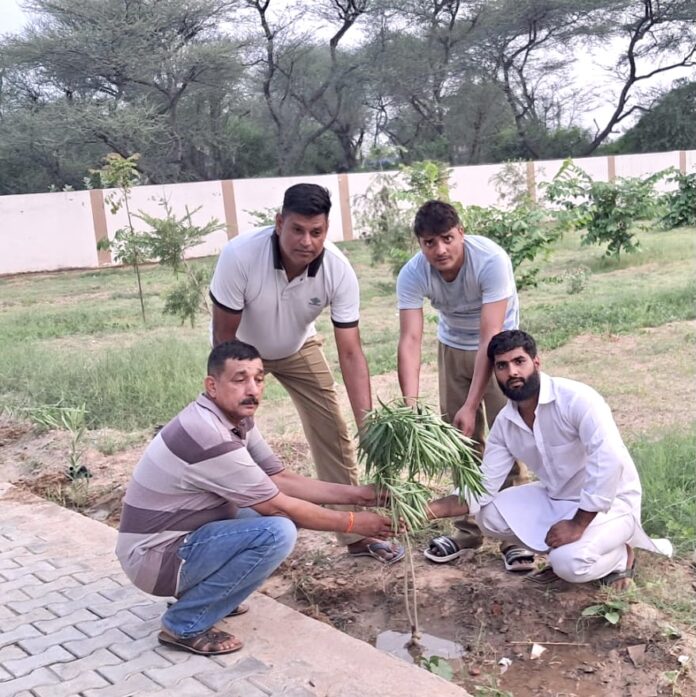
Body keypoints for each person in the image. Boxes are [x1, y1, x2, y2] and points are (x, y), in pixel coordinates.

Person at [116, 340, 399, 656]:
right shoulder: (207, 433)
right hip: (154, 559)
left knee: (280, 518)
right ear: (212, 385)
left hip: (176, 543)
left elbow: (280, 478)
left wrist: (361, 494)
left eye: (259, 378)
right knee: (277, 531)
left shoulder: (236, 419)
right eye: (240, 379)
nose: (252, 389)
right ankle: (184, 623)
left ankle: (204, 596)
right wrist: (353, 522)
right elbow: (276, 502)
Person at [208, 183, 402, 564]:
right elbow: (223, 338)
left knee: (334, 430)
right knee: (228, 439)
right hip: (243, 352)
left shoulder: (338, 270)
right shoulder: (240, 256)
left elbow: (350, 351)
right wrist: (231, 401)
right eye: (297, 229)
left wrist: (367, 423)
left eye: (317, 232)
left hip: (299, 348)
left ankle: (356, 535)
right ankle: (230, 525)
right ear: (279, 223)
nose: (307, 242)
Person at [430, 329, 672, 588]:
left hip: (611, 505)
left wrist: (578, 524)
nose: (512, 372)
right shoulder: (505, 423)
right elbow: (481, 488)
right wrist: (419, 513)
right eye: (502, 366)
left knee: (570, 564)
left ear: (536, 362)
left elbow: (609, 462)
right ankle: (568, 548)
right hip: (557, 499)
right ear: (495, 374)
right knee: (487, 514)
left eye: (519, 361)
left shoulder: (577, 399)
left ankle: (620, 557)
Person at [396, 200, 531, 570]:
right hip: (453, 345)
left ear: (461, 233)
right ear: (420, 244)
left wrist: (471, 404)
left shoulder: (490, 259)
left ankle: (515, 537)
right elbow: (409, 339)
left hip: (501, 346)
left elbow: (491, 333)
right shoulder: (412, 274)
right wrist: (409, 410)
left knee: (509, 436)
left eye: (447, 239)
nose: (439, 250)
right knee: (460, 442)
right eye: (429, 242)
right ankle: (467, 531)